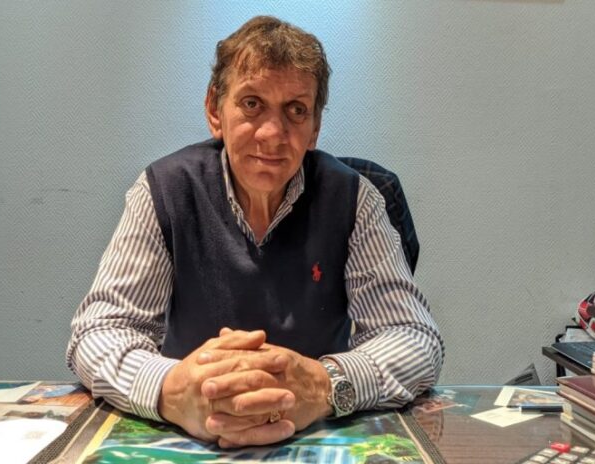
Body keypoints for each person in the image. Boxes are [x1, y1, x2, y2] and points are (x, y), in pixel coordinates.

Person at [67, 15, 444, 448]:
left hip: (315, 437)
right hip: (193, 437)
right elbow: (98, 332)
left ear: (315, 128)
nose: (272, 134)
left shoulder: (355, 198)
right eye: (251, 104)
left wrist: (323, 385)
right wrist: (174, 390)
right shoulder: (164, 191)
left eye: (296, 110)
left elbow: (414, 338)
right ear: (215, 111)